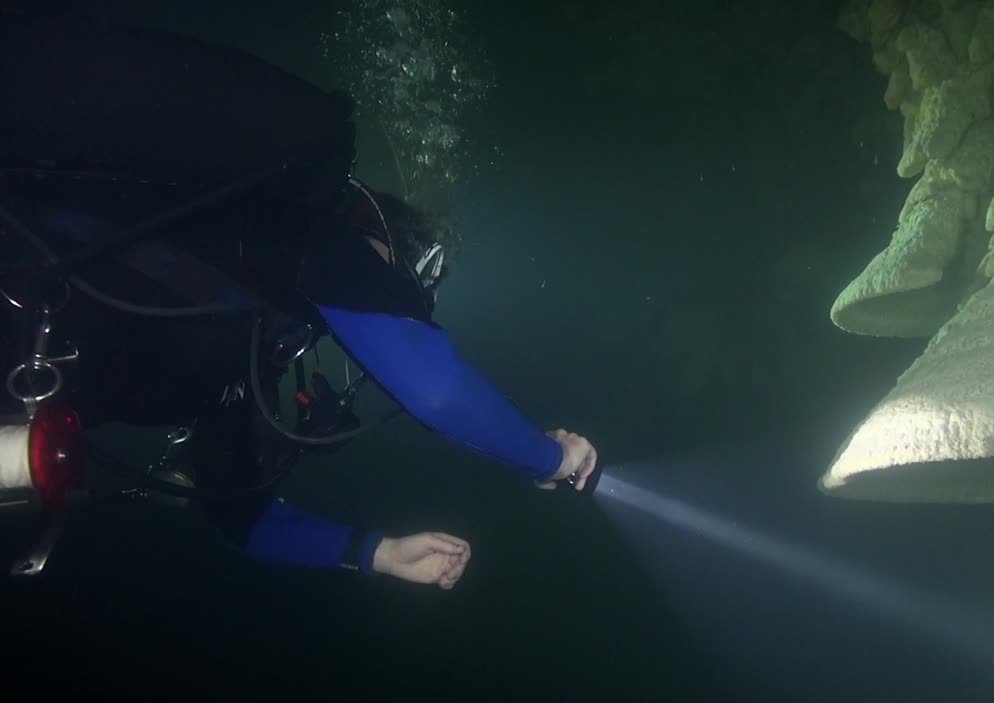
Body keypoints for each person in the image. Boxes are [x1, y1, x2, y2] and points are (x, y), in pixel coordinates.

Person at [0, 13, 598, 588]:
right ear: (379, 237)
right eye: (414, 272)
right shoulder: (307, 239)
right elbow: (437, 390)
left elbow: (238, 517)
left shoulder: (252, 346)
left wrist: (379, 554)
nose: (407, 296)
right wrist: (550, 459)